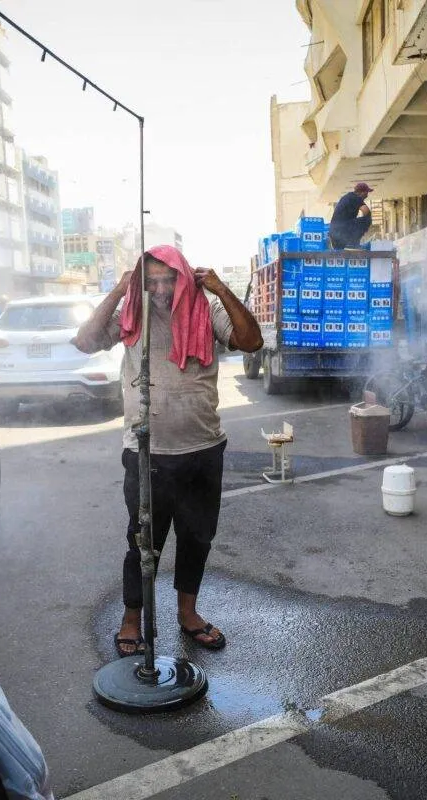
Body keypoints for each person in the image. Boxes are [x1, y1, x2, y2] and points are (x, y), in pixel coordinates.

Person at [72, 245, 263, 657]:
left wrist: (221, 288)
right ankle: (130, 621)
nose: (159, 288)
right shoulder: (132, 312)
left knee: (196, 537)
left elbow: (251, 340)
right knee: (143, 542)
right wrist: (122, 289)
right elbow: (84, 341)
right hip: (147, 453)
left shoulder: (205, 307)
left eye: (167, 279)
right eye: (151, 280)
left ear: (182, 275)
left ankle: (188, 614)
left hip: (203, 448)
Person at [329, 182, 374, 250]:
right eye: (366, 193)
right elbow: (366, 211)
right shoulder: (356, 198)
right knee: (367, 219)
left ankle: (351, 244)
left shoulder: (347, 197)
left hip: (335, 238)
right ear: (361, 192)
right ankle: (352, 244)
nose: (367, 195)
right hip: (341, 233)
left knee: (355, 222)